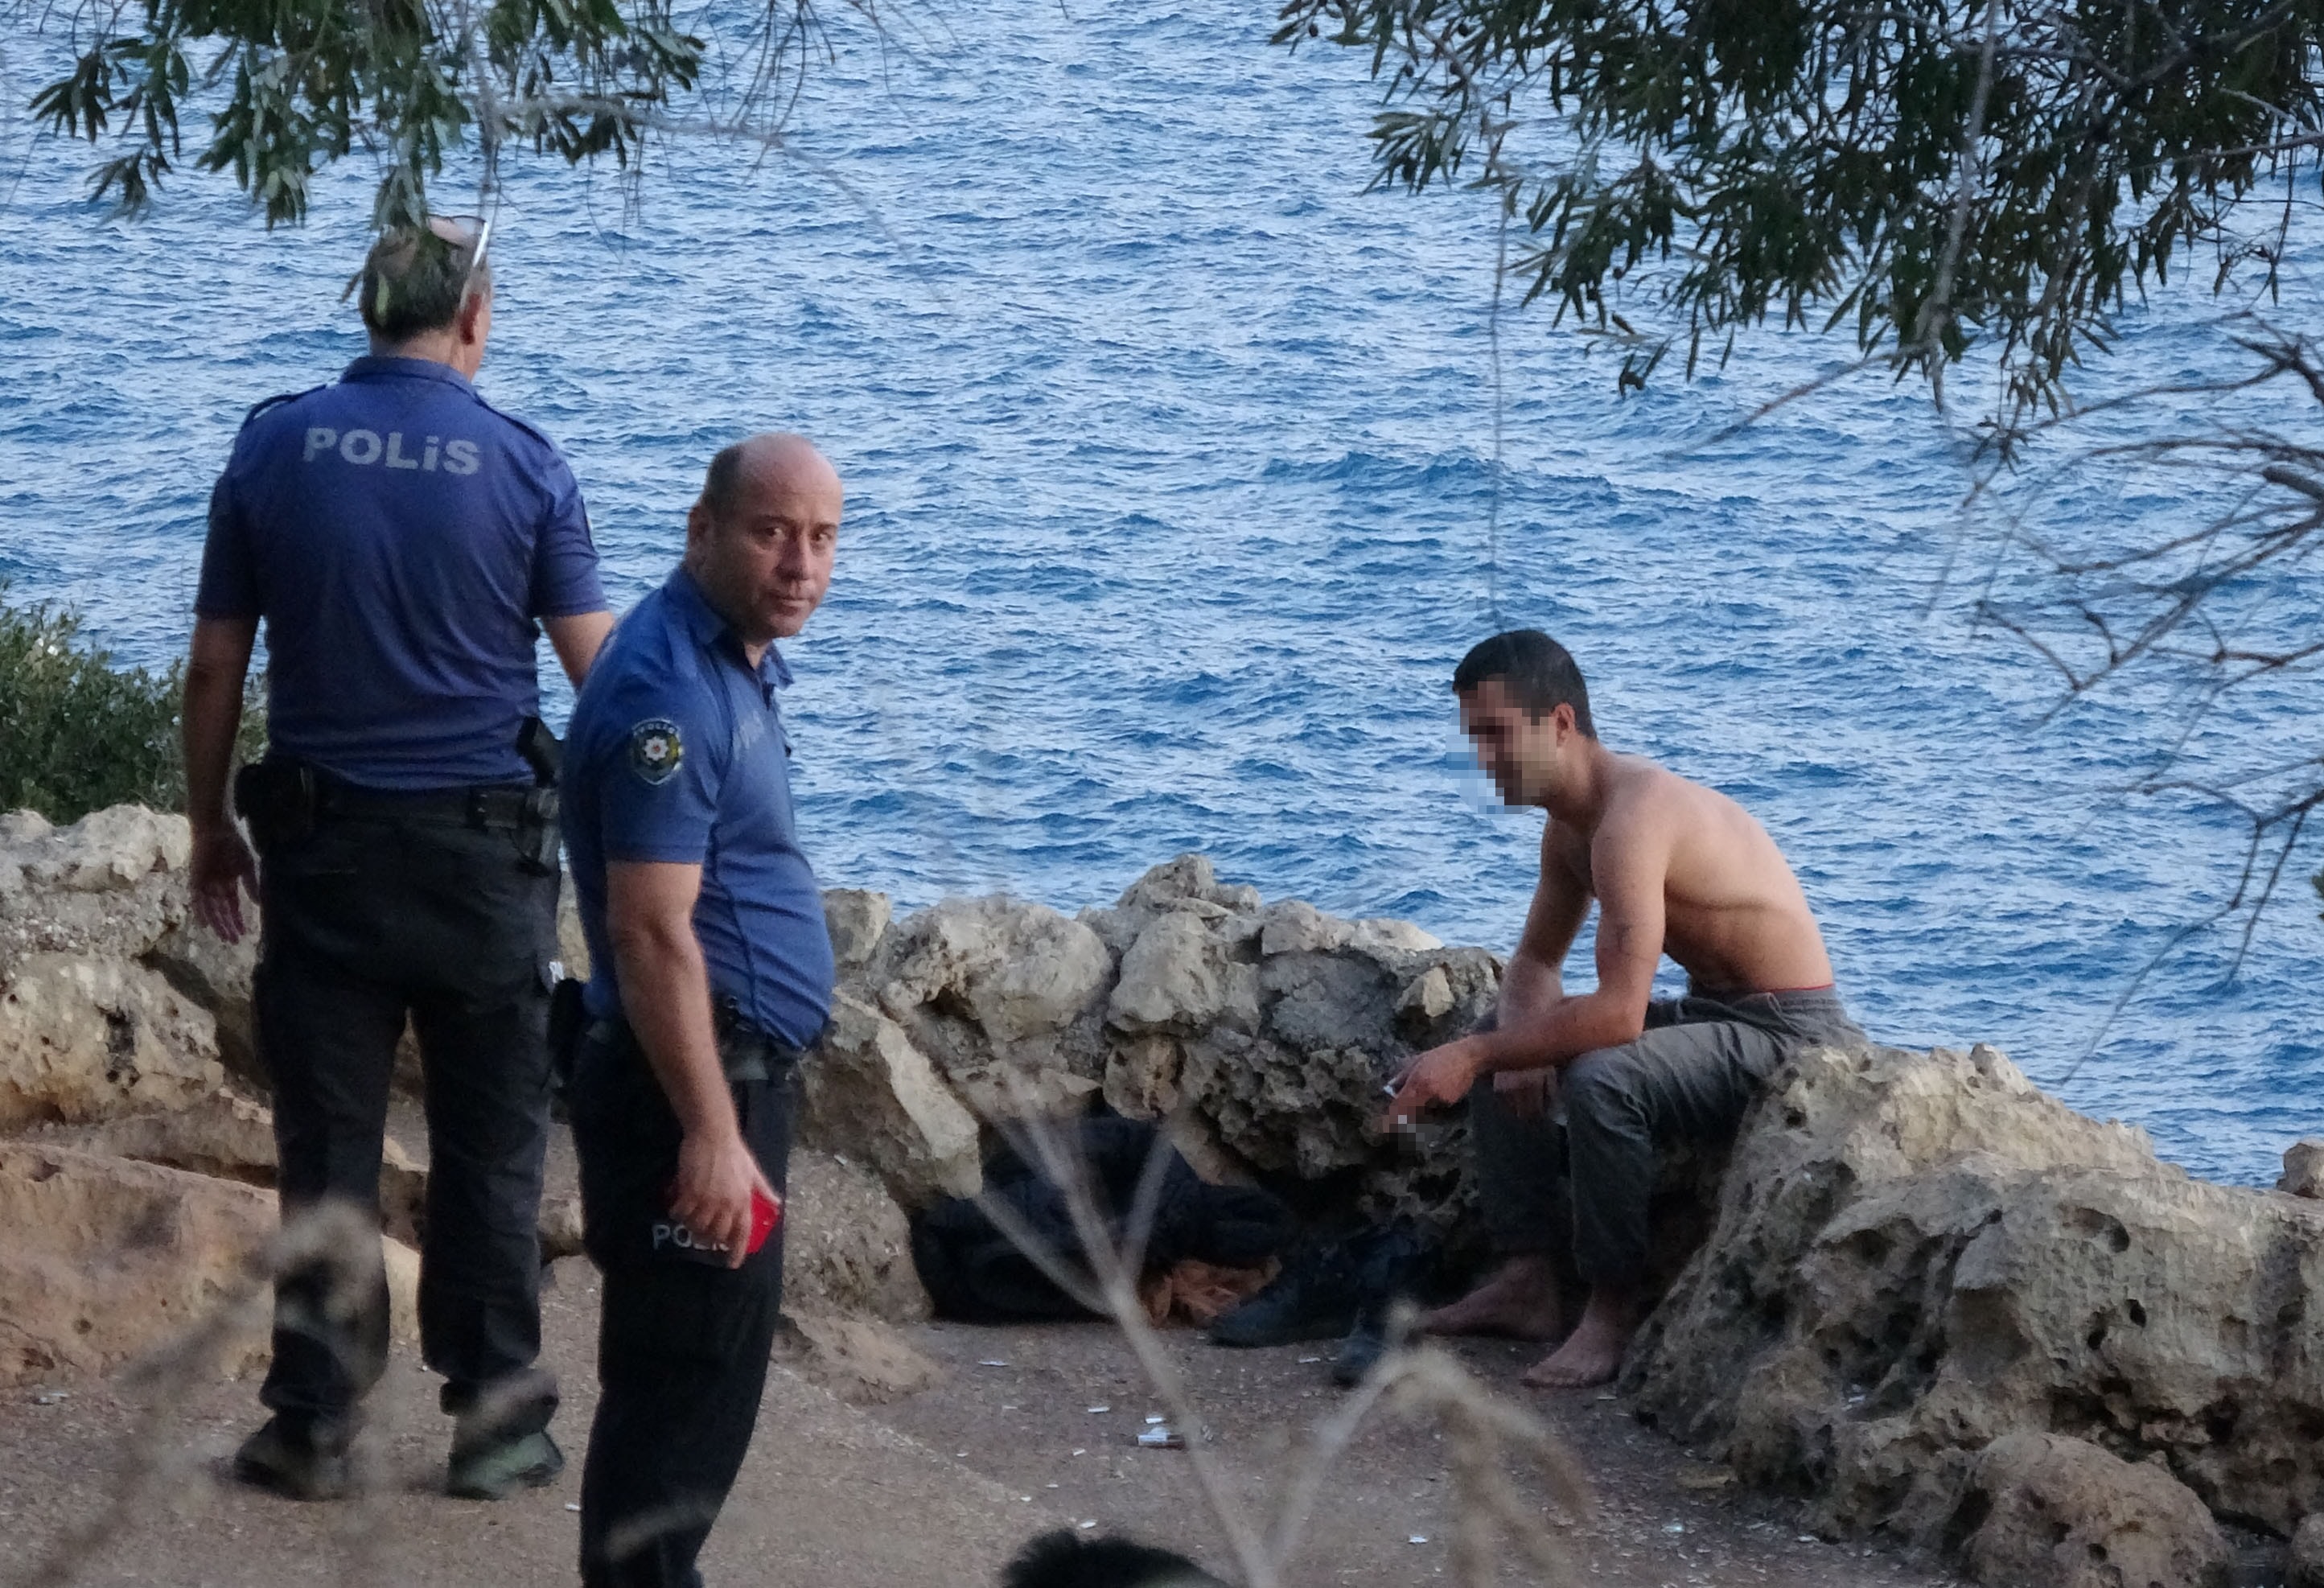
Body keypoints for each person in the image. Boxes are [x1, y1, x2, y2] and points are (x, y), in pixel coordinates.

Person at [183, 214, 614, 1500]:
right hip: (486, 863)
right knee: (491, 1142)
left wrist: (210, 825)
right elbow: (602, 673)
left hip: (326, 854)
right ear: (475, 317)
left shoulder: (272, 444)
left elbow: (216, 665)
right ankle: (493, 1420)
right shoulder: (527, 466)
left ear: (367, 305)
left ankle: (311, 1423)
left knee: (328, 1142)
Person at [1388, 630, 1862, 1388]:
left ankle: (1611, 1313)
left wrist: (1482, 1058)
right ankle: (1526, 1281)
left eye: (1496, 735)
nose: (1482, 760)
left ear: (1562, 724)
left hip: (1790, 1032)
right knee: (1497, 1029)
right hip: (1717, 1013)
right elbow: (1535, 963)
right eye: (1472, 738)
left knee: (1603, 1078)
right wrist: (1505, 1043)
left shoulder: (1632, 819)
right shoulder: (1569, 831)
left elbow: (1619, 1020)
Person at [561, 434, 841, 1587]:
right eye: (773, 530)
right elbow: (647, 928)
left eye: (823, 537)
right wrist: (713, 1133)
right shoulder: (670, 687)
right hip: (693, 1084)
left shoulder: (726, 660)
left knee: (696, 1387)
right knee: (681, 1394)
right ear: (702, 527)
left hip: (726, 1074)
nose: (800, 563)